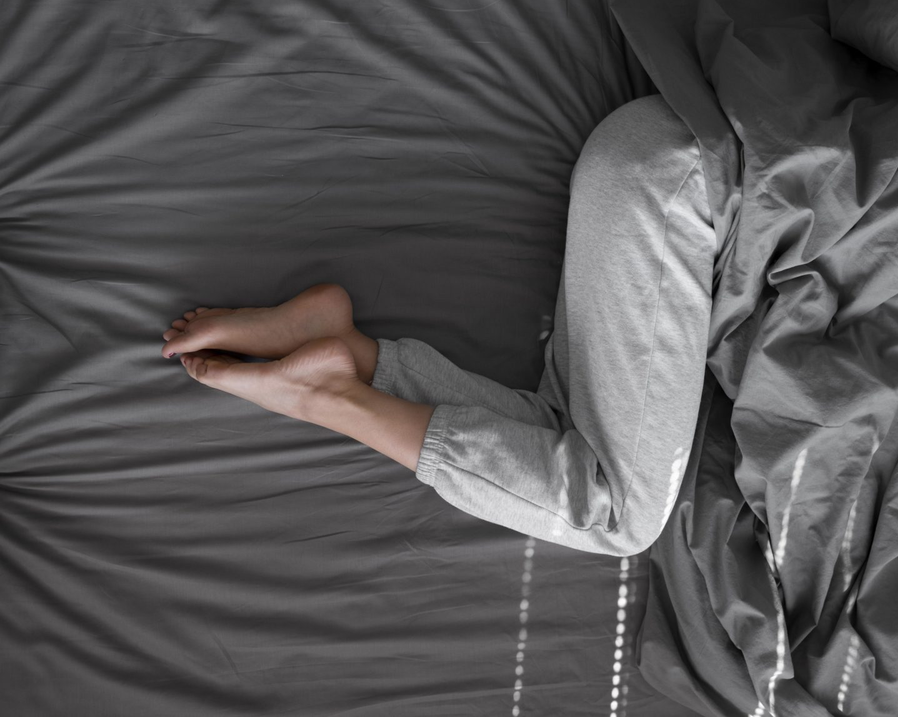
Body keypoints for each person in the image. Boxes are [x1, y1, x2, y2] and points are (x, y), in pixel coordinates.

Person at [158, 95, 718, 557]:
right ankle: (329, 397)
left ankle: (346, 349)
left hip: (662, 158)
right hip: (684, 182)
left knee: (560, 444)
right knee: (617, 513)